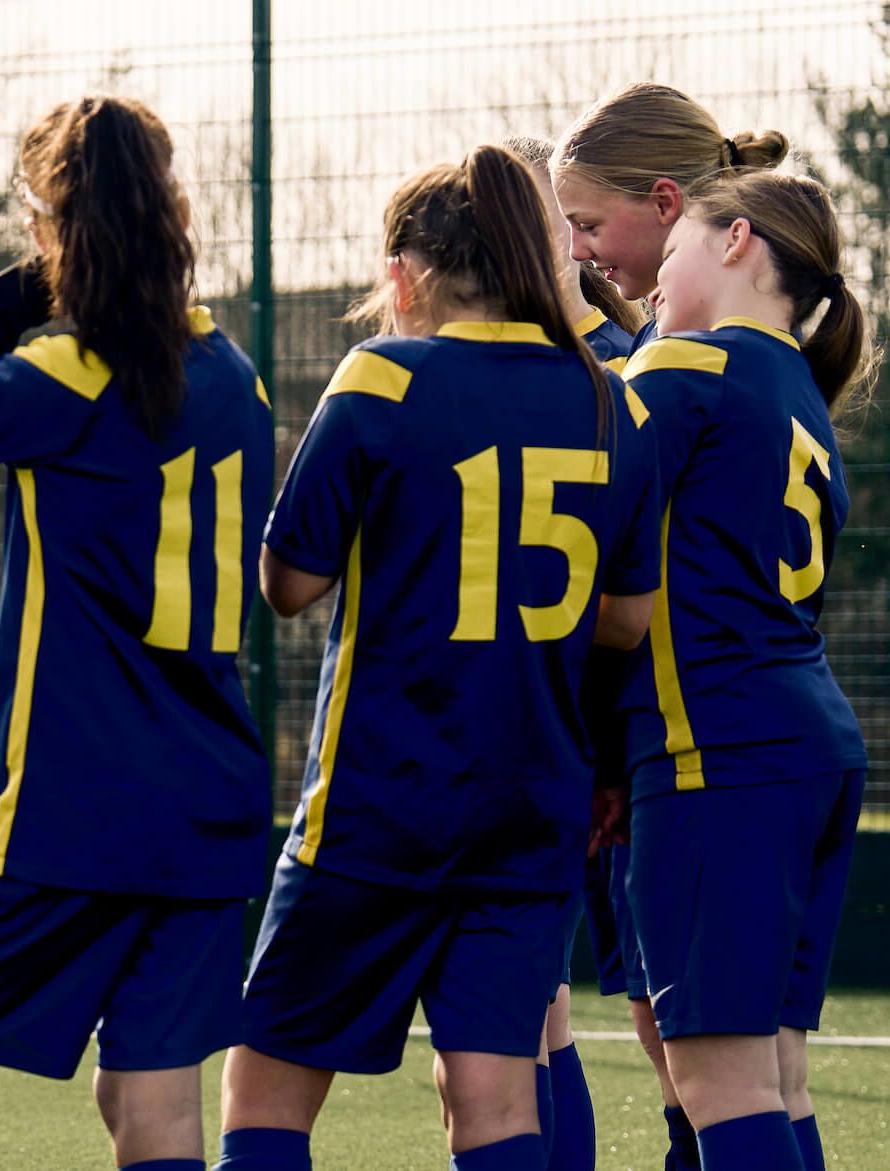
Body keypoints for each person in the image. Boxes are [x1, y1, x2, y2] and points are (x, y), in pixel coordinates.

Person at [0, 95, 275, 1171]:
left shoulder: (68, 376)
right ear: (176, 210)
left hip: (68, 807)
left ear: (50, 227)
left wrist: (20, 290)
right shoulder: (237, 380)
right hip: (211, 800)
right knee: (150, 1108)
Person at [215, 144, 658, 1171]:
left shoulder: (385, 374)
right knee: (495, 1096)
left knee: (266, 1084)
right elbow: (628, 619)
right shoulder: (611, 398)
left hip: (382, 799)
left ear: (405, 274)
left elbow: (288, 585)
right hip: (528, 806)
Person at [615, 167, 873, 1171]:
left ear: (733, 244)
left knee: (719, 1083)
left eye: (671, 248)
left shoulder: (688, 367)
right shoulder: (800, 387)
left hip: (719, 752)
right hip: (808, 745)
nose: (648, 281)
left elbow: (574, 470)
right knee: (772, 1077)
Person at [553, 84, 792, 1167]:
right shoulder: (757, 360)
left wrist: (577, 334)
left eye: (586, 226)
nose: (573, 247)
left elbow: (625, 441)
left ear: (665, 204)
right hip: (676, 741)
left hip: (696, 745)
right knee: (707, 1050)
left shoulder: (681, 367)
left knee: (708, 1057)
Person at [500, 132, 649, 1171]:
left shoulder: (598, 371)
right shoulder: (598, 359)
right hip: (568, 744)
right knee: (540, 1011)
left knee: (542, 1020)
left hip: (588, 750)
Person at [555, 83, 788, 346]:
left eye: (588, 225)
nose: (576, 253)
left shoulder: (685, 357)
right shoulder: (764, 320)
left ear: (664, 203)